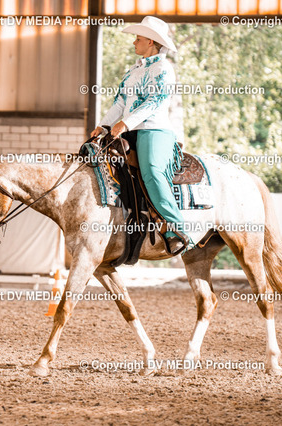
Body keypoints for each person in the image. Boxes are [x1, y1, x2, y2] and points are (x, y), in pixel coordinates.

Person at [90, 16, 191, 254]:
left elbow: (155, 102)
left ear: (151, 42)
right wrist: (103, 126)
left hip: (154, 129)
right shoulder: (134, 70)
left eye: (138, 38)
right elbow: (120, 103)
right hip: (129, 129)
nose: (134, 42)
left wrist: (125, 123)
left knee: (152, 171)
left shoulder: (163, 69)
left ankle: (177, 228)